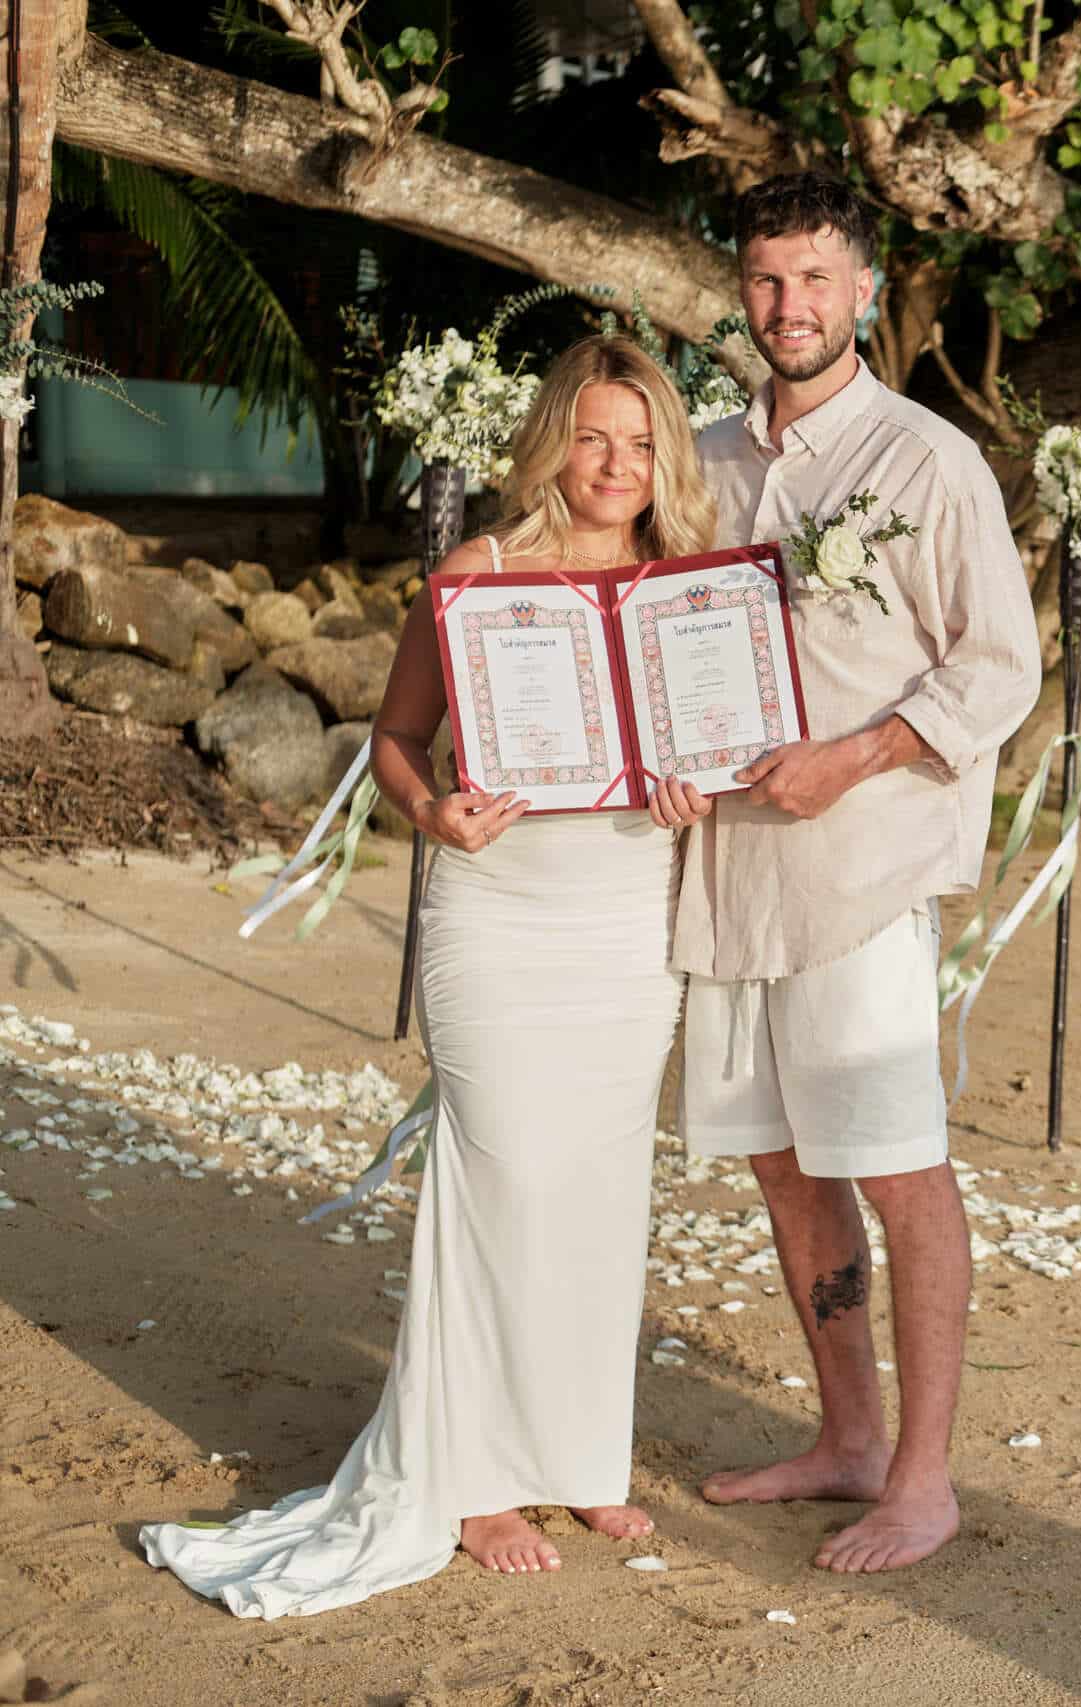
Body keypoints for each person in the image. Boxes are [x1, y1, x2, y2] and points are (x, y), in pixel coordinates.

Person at [141, 335, 717, 1615]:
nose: (616, 465)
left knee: (603, 1188)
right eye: (593, 436)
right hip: (499, 911)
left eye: (640, 442)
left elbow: (718, 748)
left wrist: (701, 797)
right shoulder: (479, 572)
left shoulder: (687, 587)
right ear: (552, 441)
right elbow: (399, 743)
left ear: (663, 454)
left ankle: (578, 1452)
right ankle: (474, 1477)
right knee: (503, 1175)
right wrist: (433, 814)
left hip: (630, 915)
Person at [648, 172, 1040, 1574]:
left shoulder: (929, 459)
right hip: (729, 877)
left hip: (861, 875)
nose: (788, 307)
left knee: (897, 1166)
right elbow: (658, 645)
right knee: (783, 1165)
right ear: (741, 292)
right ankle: (849, 1435)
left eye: (815, 279)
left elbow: (1001, 664)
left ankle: (924, 1478)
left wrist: (858, 756)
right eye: (765, 281)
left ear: (866, 290)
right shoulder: (703, 459)